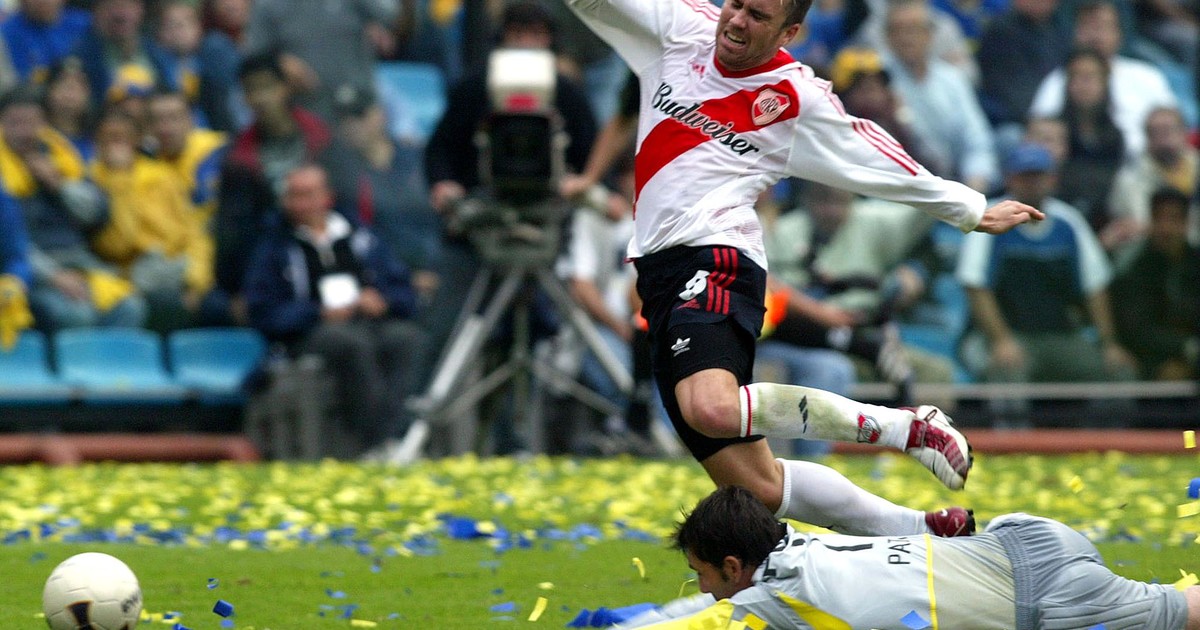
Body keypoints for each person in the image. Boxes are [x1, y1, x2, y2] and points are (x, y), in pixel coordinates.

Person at [564, 0, 1043, 537]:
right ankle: (929, 532)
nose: (737, 20)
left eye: (758, 16)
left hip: (717, 256)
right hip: (657, 275)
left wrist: (970, 209)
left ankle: (907, 430)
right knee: (760, 488)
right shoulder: (682, 30)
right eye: (736, 4)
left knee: (712, 409)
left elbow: (872, 153)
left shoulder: (794, 97)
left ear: (788, 32)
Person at [613, 485, 1200, 629]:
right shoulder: (798, 541)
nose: (703, 589)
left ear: (733, 567)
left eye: (702, 575)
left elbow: (692, 621)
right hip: (1020, 537)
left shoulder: (773, 600)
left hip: (1047, 602)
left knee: (1182, 615)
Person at [243, 164, 429, 456]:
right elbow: (263, 311)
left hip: (369, 322)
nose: (300, 204)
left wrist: (383, 301)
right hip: (309, 333)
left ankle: (398, 437)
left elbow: (403, 290)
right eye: (293, 196)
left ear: (327, 197)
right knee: (349, 344)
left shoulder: (362, 237)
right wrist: (317, 312)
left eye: (307, 195)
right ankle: (373, 442)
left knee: (407, 339)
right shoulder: (273, 247)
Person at [957, 143, 1136, 427]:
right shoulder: (990, 218)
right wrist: (1001, 340)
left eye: (1038, 176)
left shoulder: (1069, 222)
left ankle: (1105, 444)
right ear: (1010, 179)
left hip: (1059, 336)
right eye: (1024, 176)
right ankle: (1011, 445)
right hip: (999, 337)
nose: (1032, 183)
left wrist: (1109, 343)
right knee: (1006, 369)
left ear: (1052, 179)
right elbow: (976, 287)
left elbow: (1095, 287)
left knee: (1117, 370)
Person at [0, 86, 146, 332]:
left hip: (79, 262)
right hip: (30, 272)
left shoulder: (61, 154)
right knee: (77, 316)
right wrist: (54, 276)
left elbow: (97, 215)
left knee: (129, 307)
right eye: (15, 123)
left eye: (32, 123)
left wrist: (60, 185)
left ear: (44, 123)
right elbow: (11, 247)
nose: (25, 132)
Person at [1028, 0, 1177, 159]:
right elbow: (1037, 134)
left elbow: (1173, 125)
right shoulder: (1058, 80)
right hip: (1077, 164)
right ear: (1075, 34)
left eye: (1103, 27)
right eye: (1088, 27)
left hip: (1147, 162)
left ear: (1119, 34)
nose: (1096, 36)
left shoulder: (1147, 76)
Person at [1110, 187, 1200, 381]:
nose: (1165, 228)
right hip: (1150, 357)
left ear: (1186, 223)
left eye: (1174, 219)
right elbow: (1137, 331)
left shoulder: (1195, 262)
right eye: (1159, 218)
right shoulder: (1134, 268)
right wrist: (1184, 347)